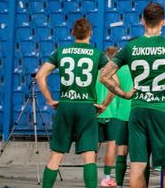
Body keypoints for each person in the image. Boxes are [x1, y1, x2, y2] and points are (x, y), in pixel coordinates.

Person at [98, 4, 165, 188]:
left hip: (138, 111)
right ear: (163, 22)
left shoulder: (130, 47)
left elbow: (104, 76)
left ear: (143, 21)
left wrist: (124, 94)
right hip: (163, 110)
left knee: (137, 167)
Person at [35, 18, 110, 188]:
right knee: (89, 156)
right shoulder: (97, 54)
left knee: (56, 155)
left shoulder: (61, 51)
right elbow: (112, 80)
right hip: (87, 106)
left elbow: (40, 76)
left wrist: (49, 99)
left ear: (72, 33)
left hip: (66, 104)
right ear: (90, 33)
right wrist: (105, 103)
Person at [95, 46, 132, 188]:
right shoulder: (124, 70)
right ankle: (107, 177)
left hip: (97, 112)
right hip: (114, 113)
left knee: (93, 147)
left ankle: (91, 174)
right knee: (112, 146)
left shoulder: (97, 72)